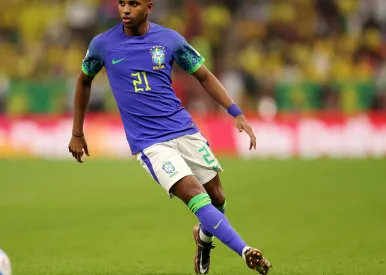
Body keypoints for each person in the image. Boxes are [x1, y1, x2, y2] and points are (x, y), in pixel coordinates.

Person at [68, 0, 272, 274]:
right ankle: (246, 250)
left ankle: (203, 238)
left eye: (134, 4)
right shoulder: (102, 44)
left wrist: (235, 111)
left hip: (184, 129)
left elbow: (203, 75)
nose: (125, 10)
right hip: (150, 143)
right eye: (121, 3)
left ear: (149, 7)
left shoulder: (169, 40)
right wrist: (77, 132)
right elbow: (83, 81)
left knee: (218, 198)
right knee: (196, 196)